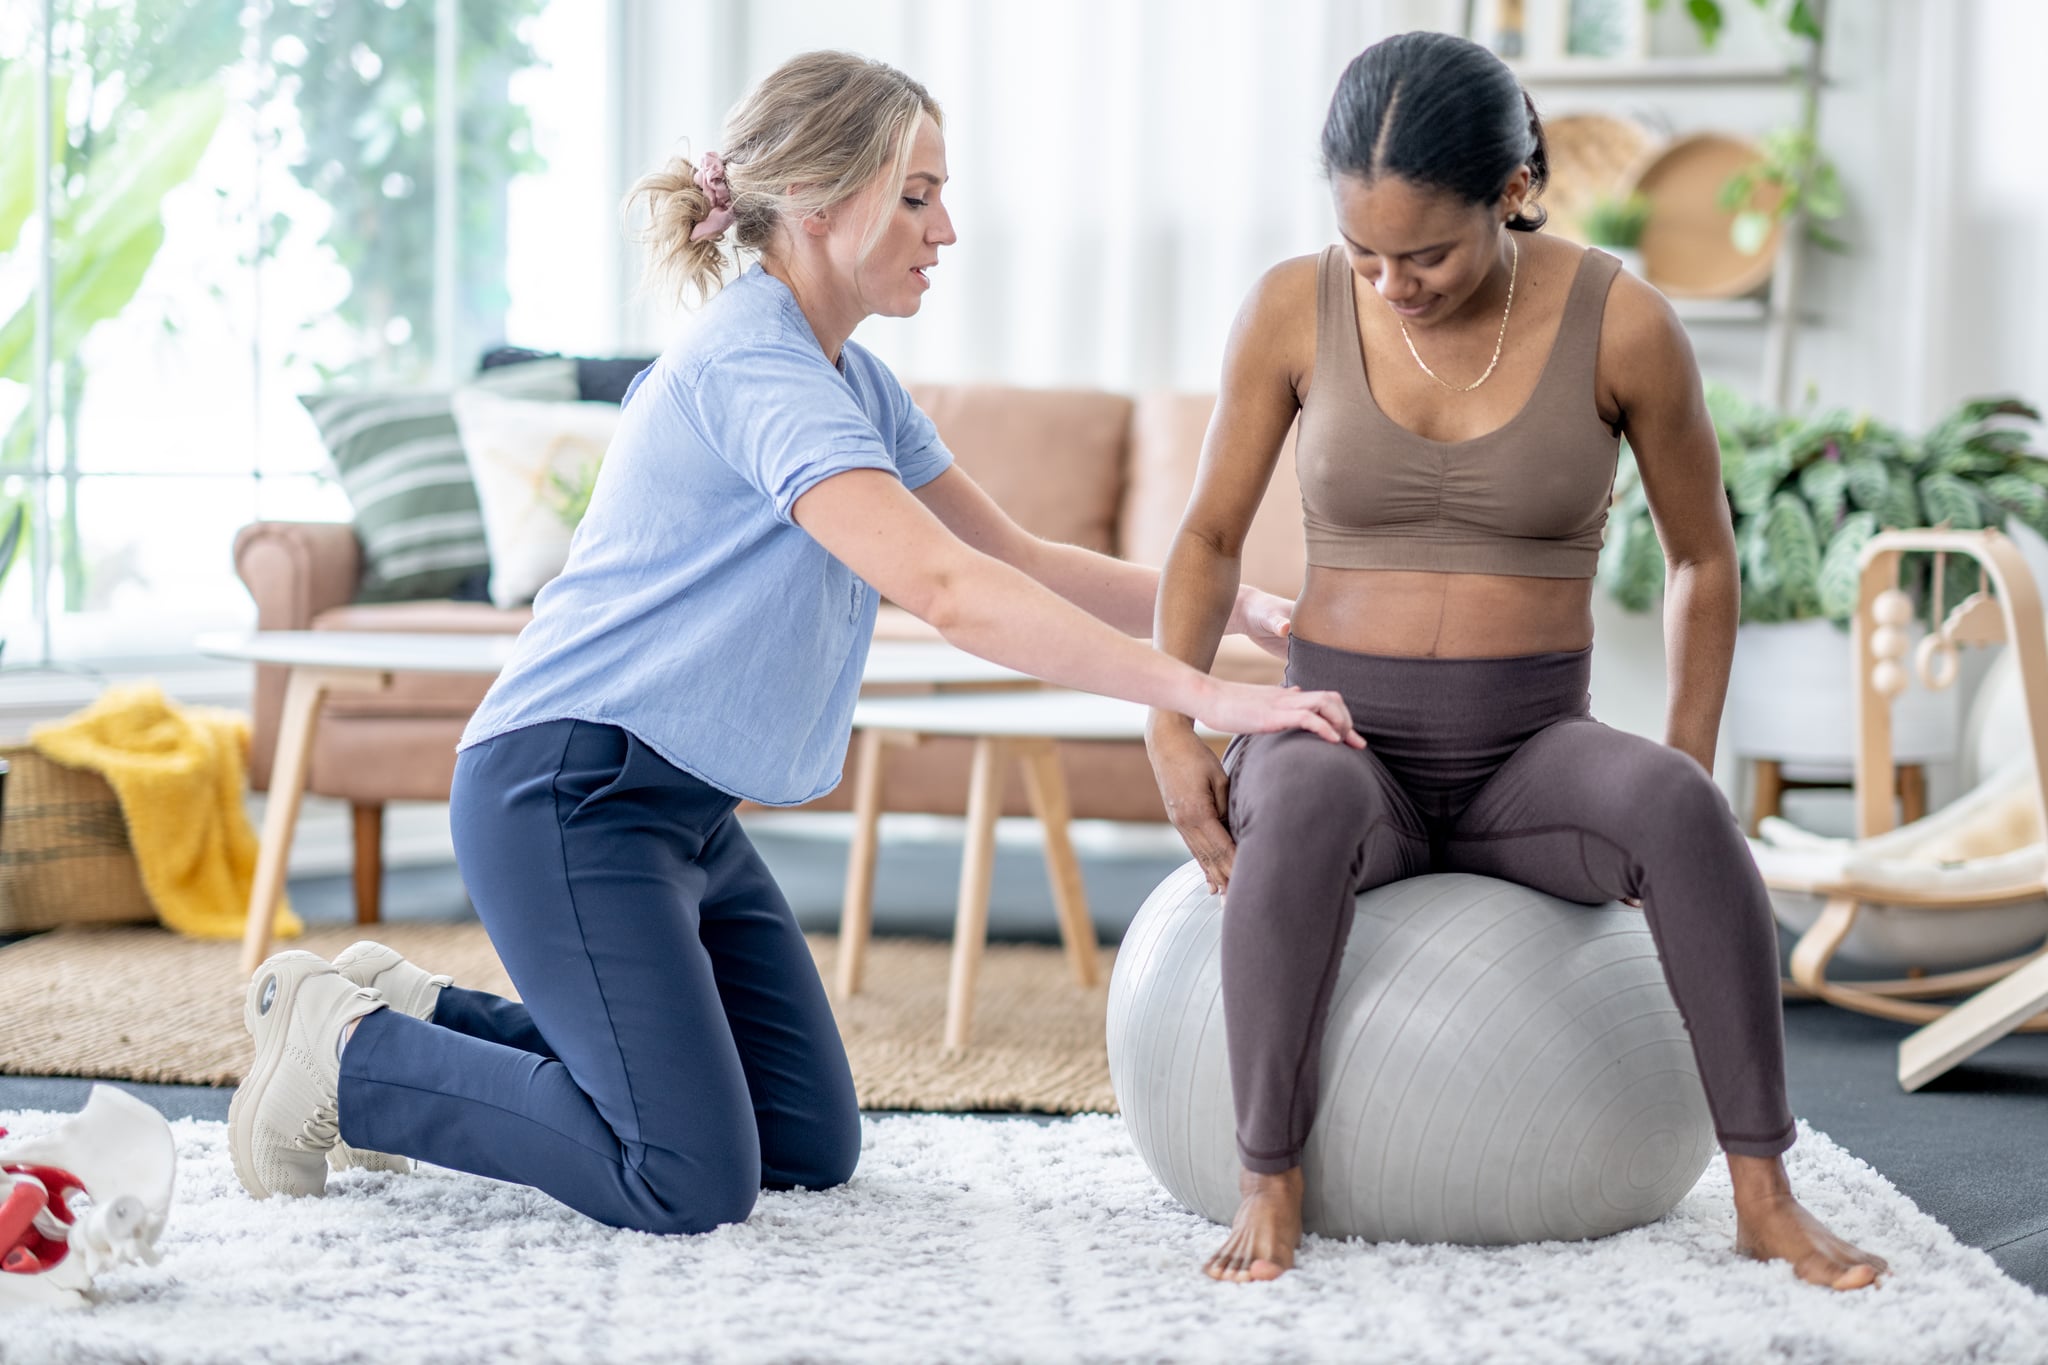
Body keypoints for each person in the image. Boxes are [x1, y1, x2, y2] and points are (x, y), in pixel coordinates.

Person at [225, 50, 1362, 1235]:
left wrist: (1231, 607)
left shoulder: (848, 379)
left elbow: (1013, 558)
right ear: (818, 206)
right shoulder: (750, 365)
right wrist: (1199, 699)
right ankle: (350, 1065)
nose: (946, 227)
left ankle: (410, 1016)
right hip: (568, 793)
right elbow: (945, 588)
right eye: (915, 195)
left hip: (684, 815)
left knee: (806, 1141)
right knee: (683, 1177)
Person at [1143, 31, 1888, 1290]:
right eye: (1366, 252)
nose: (1392, 283)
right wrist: (1172, 723)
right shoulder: (1289, 305)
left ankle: (1762, 1194)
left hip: (1529, 753)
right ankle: (1266, 1179)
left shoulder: (1623, 323)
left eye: (1425, 251)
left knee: (1672, 806)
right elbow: (1208, 534)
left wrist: (1687, 768)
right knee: (1307, 793)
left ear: (1514, 187)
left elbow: (1703, 559)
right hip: (1337, 728)